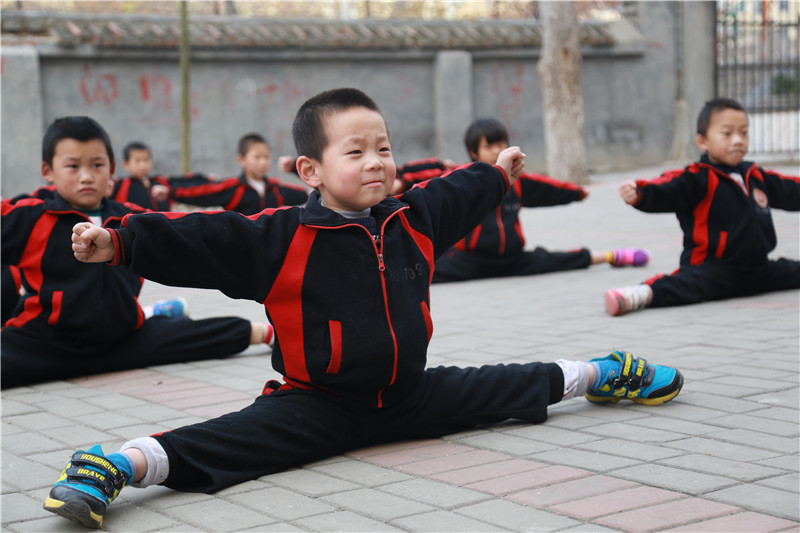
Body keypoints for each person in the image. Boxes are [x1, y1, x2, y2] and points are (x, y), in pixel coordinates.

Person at [44, 88, 683, 529]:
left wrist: (497, 174)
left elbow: (458, 191)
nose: (376, 161)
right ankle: (113, 466)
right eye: (355, 152)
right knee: (226, 442)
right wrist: (122, 240)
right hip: (314, 405)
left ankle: (604, 372)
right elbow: (205, 236)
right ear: (310, 170)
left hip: (410, 396)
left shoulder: (413, 219)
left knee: (509, 386)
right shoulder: (279, 236)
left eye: (383, 147)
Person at [1, 116, 274, 389]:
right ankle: (159, 311)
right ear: (48, 171)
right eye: (72, 166)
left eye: (97, 165)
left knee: (191, 335)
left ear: (112, 169)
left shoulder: (131, 218)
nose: (86, 176)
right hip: (46, 344)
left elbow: (187, 237)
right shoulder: (31, 217)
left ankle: (265, 332)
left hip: (125, 339)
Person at [605, 97, 800, 316]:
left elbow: (790, 189)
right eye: (727, 134)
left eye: (744, 133)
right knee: (681, 286)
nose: (737, 140)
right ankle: (639, 294)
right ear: (703, 141)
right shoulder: (697, 177)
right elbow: (667, 186)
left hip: (758, 269)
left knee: (792, 271)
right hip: (712, 270)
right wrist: (640, 192)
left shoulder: (755, 175)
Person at [393, 117, 650, 283]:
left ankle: (612, 256)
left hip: (513, 259)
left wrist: (577, 192)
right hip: (468, 262)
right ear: (474, 152)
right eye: (489, 146)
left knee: (558, 259)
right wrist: (400, 182)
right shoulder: (463, 180)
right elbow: (426, 182)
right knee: (421, 268)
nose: (497, 150)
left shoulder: (517, 181)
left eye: (501, 144)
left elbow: (547, 187)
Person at [171, 133, 309, 215]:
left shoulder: (276, 188)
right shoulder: (233, 188)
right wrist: (171, 192)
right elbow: (201, 192)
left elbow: (308, 193)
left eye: (266, 157)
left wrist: (295, 168)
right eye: (257, 157)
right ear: (241, 160)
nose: (263, 162)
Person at [110, 141, 207, 211]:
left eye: (146, 160)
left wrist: (205, 178)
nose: (143, 165)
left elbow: (184, 181)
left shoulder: (160, 182)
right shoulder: (119, 186)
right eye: (138, 161)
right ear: (126, 165)